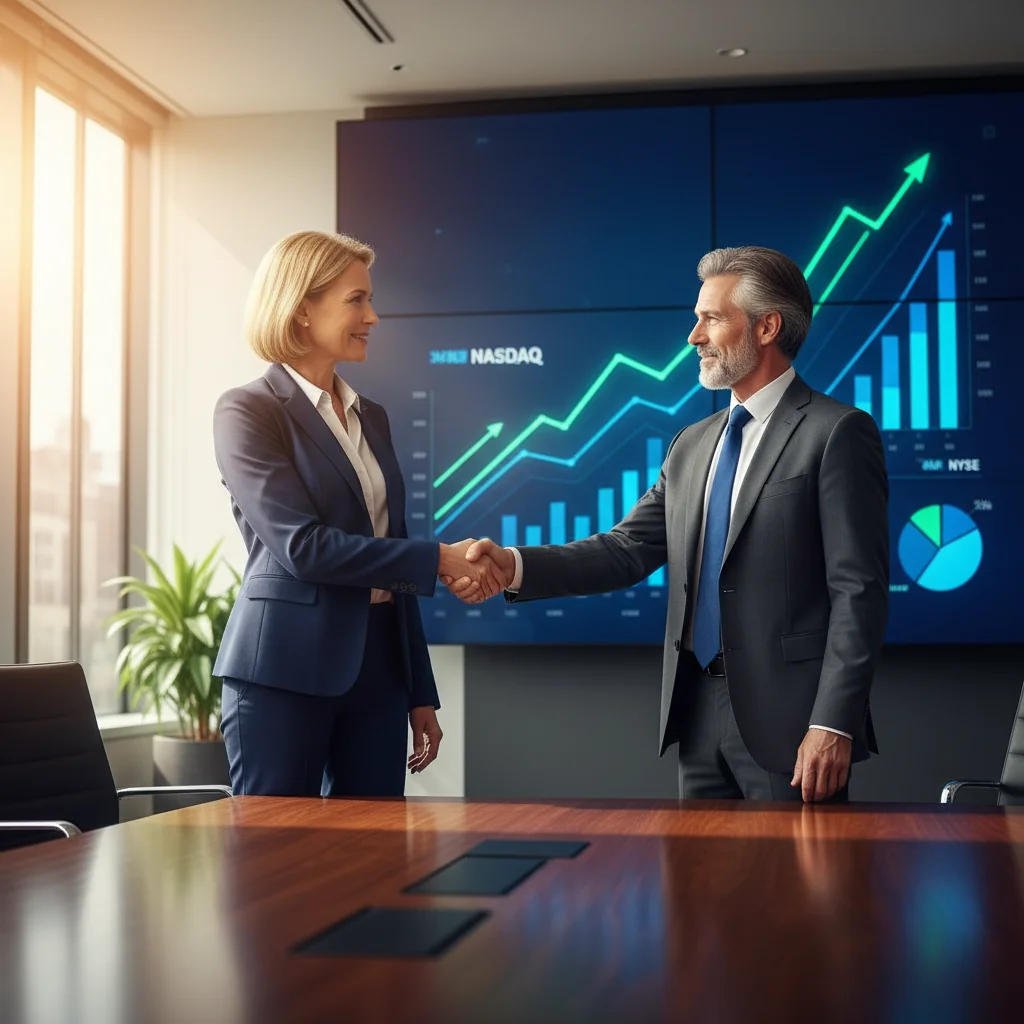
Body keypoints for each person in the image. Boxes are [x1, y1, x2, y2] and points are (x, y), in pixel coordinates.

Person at [446, 246, 889, 802]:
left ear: (767, 326)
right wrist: (512, 565)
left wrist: (833, 723)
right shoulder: (691, 445)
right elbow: (625, 549)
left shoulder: (836, 432)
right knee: (695, 864)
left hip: (794, 725)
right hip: (695, 717)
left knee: (794, 865)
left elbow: (859, 591)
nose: (693, 336)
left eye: (711, 319)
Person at [213, 230, 502, 797]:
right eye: (356, 300)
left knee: (375, 843)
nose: (372, 316)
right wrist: (440, 559)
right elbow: (302, 547)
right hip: (283, 670)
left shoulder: (372, 417)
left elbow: (393, 549)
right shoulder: (247, 410)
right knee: (280, 845)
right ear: (301, 309)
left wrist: (418, 690)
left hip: (378, 673)